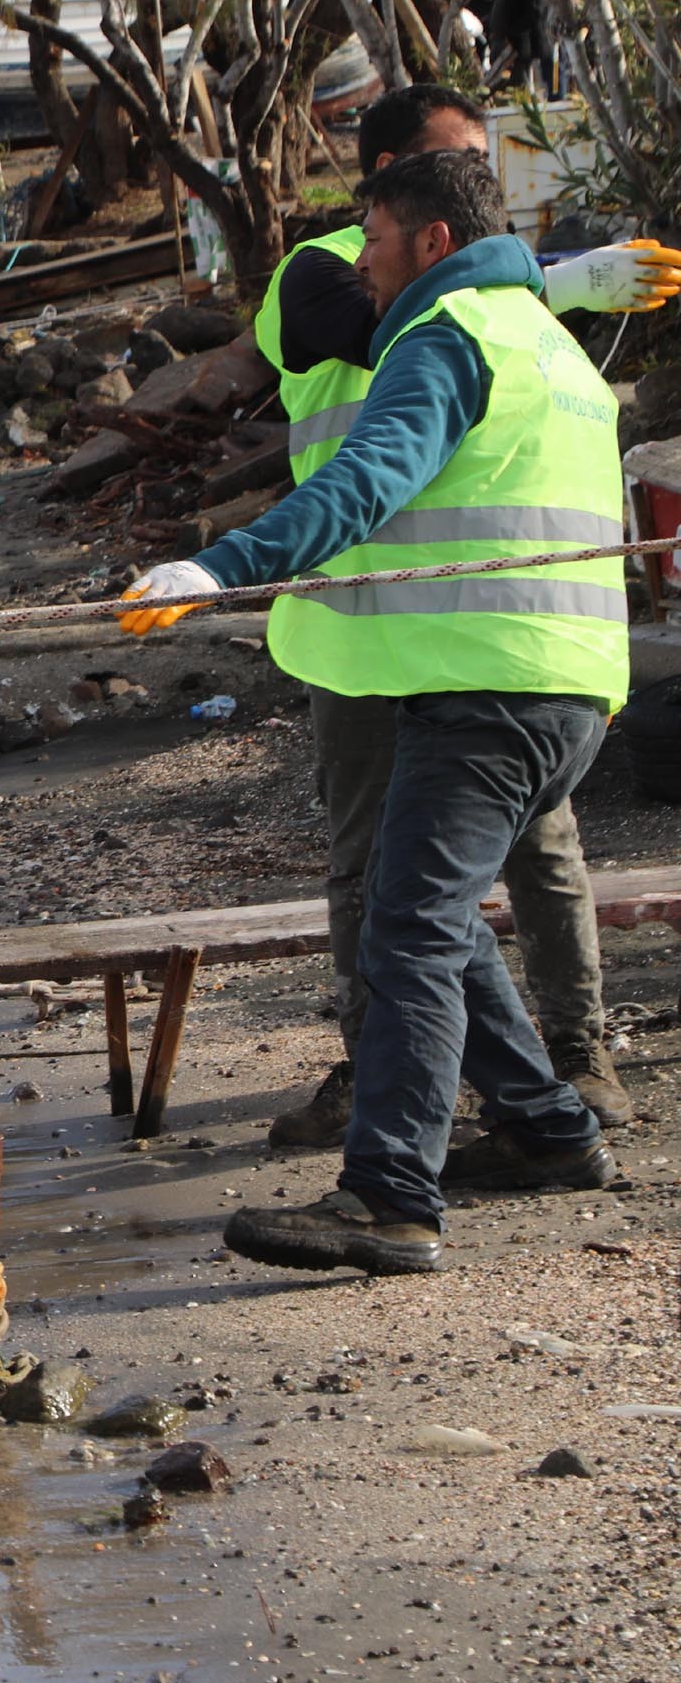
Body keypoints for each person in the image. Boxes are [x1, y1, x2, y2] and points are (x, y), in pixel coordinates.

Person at [121, 151, 624, 1274]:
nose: (361, 260)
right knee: (431, 915)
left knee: (406, 923)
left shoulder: (446, 338)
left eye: (375, 236)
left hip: (487, 681)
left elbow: (364, 479)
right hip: (564, 684)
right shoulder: (549, 340)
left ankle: (391, 1193)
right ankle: (550, 1129)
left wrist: (222, 568)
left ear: (433, 240)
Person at [247, 84, 679, 1145]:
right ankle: (384, 1074)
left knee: (529, 858)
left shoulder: (499, 307)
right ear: (394, 173)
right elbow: (353, 329)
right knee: (378, 876)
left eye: (488, 156)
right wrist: (556, 277)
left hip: (494, 642)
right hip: (361, 633)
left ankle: (574, 1062)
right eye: (461, 158)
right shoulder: (330, 268)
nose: (485, 177)